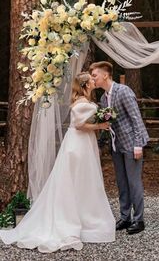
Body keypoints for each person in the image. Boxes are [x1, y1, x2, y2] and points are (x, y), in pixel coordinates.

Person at [0, 72, 115, 253]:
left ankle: (83, 215)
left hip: (81, 143)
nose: (94, 81)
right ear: (85, 85)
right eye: (91, 80)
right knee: (77, 179)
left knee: (81, 180)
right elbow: (79, 125)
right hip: (78, 145)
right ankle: (76, 218)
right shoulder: (82, 103)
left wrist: (99, 122)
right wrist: (100, 126)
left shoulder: (83, 101)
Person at [90, 61, 149, 235]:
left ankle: (139, 220)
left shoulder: (124, 91)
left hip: (132, 144)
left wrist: (138, 144)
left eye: (95, 75)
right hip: (116, 146)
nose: (93, 79)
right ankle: (125, 217)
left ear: (105, 75)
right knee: (122, 183)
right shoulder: (103, 98)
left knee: (134, 182)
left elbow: (136, 118)